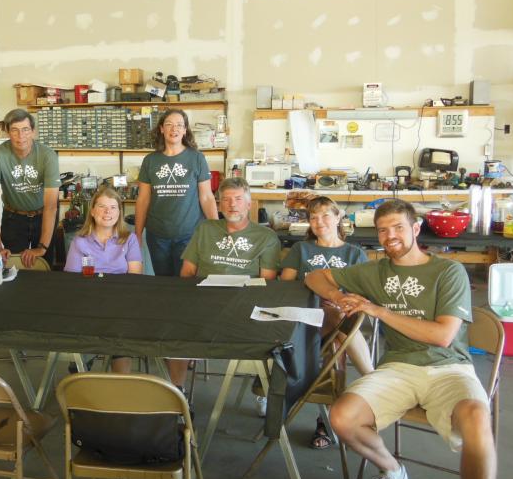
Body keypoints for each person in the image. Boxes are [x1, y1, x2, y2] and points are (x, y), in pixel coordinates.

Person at [305, 199, 495, 479]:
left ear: (416, 229)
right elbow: (314, 276)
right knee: (341, 417)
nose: (390, 236)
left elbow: (442, 336)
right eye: (383, 230)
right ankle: (393, 471)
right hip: (398, 367)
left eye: (398, 228)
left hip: (449, 368)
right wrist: (339, 296)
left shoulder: (448, 271)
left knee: (478, 420)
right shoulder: (375, 271)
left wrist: (378, 310)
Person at [279, 196, 374, 448]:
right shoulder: (301, 249)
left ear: (338, 217)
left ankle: (317, 413)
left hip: (339, 315)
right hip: (303, 313)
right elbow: (284, 286)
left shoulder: (354, 253)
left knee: (337, 334)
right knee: (337, 334)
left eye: (325, 215)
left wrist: (341, 301)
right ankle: (370, 379)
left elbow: (364, 292)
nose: (319, 222)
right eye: (313, 217)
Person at [176, 177, 281, 391]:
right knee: (175, 327)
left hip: (243, 305)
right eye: (226, 199)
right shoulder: (205, 229)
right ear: (219, 205)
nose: (232, 204)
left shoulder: (266, 237)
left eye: (238, 199)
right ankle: (178, 391)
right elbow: (187, 272)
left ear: (249, 204)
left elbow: (266, 283)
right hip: (202, 301)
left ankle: (263, 388)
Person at [64, 185, 142, 373]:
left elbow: (135, 278)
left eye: (113, 207)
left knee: (121, 330)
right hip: (88, 304)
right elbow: (72, 282)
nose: (108, 212)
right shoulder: (80, 241)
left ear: (119, 212)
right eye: (102, 207)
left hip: (121, 304)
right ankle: (83, 364)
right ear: (92, 211)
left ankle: (117, 384)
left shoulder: (129, 239)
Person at [134, 109, 218, 277]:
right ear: (161, 129)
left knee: (186, 283)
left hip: (190, 235)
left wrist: (216, 230)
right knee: (163, 282)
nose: (174, 129)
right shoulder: (150, 161)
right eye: (169, 124)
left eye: (179, 125)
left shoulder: (197, 158)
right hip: (157, 236)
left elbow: (207, 197)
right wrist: (137, 234)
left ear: (185, 130)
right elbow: (143, 200)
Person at [0, 108, 60, 268]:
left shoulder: (48, 155)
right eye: (15, 130)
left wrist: (42, 247)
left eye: (25, 129)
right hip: (13, 218)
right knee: (13, 267)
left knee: (45, 267)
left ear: (33, 131)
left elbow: (51, 205)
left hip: (43, 216)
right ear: (7, 132)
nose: (21, 136)